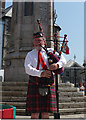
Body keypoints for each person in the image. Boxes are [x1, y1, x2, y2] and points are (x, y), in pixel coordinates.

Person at [24, 32, 66, 119]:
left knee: (45, 113)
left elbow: (63, 60)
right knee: (34, 113)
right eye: (36, 40)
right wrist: (40, 73)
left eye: (39, 40)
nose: (38, 42)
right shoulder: (30, 54)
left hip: (48, 82)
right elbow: (27, 69)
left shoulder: (51, 51)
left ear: (44, 41)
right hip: (35, 82)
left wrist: (57, 65)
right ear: (33, 43)